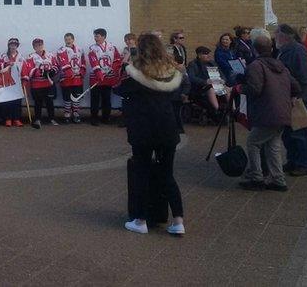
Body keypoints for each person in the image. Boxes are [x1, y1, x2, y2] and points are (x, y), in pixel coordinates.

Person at [118, 33, 186, 236]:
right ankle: (178, 220)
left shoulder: (136, 74)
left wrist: (126, 65)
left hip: (143, 129)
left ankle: (140, 220)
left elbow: (119, 90)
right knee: (167, 174)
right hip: (167, 127)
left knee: (142, 172)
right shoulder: (171, 73)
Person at [239, 36, 300, 192]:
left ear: (254, 49)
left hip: (266, 112)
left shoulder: (255, 66)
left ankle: (256, 177)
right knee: (273, 145)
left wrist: (240, 88)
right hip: (283, 112)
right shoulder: (281, 66)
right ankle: (278, 179)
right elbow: (296, 86)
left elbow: (255, 89)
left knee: (253, 143)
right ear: (271, 49)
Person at [275, 24, 307, 177]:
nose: (274, 37)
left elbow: (303, 75)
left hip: (297, 96)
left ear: (283, 35)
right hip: (287, 95)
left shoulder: (297, 49)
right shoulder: (284, 50)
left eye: (276, 34)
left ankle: (303, 163)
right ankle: (292, 160)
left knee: (299, 131)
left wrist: (297, 94)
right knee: (288, 132)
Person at [87, 28, 123, 125]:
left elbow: (117, 60)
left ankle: (105, 117)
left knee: (106, 99)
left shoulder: (112, 47)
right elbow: (93, 61)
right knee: (95, 99)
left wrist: (113, 68)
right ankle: (94, 118)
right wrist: (99, 73)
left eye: (97, 36)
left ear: (103, 36)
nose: (95, 38)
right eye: (95, 36)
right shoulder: (92, 48)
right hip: (96, 78)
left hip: (108, 78)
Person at [21, 38, 57, 127]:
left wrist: (52, 71)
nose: (39, 47)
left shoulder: (50, 55)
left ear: (43, 45)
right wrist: (39, 72)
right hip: (36, 84)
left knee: (50, 102)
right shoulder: (30, 57)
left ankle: (52, 118)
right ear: (34, 47)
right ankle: (37, 119)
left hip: (48, 83)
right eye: (36, 45)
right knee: (38, 102)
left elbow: (56, 65)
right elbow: (28, 70)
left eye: (40, 45)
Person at [55, 32, 86, 124]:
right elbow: (63, 62)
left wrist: (82, 72)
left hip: (77, 79)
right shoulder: (61, 50)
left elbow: (83, 61)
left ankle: (76, 113)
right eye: (66, 39)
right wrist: (69, 73)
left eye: (69, 39)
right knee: (67, 97)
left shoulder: (80, 49)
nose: (68, 41)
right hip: (66, 79)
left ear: (73, 39)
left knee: (76, 97)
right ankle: (67, 114)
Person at [185, 46, 221, 111]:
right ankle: (217, 110)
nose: (208, 56)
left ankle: (231, 110)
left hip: (215, 84)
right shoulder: (193, 64)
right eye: (206, 54)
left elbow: (220, 73)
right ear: (199, 55)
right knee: (211, 90)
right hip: (201, 87)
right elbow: (191, 77)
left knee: (228, 88)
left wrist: (223, 80)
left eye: (208, 54)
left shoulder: (212, 63)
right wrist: (205, 81)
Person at [0, 38, 24, 127]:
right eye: (11, 45)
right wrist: (7, 64)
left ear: (17, 46)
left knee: (17, 100)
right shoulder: (4, 56)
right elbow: (0, 66)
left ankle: (17, 118)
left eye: (15, 45)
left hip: (17, 81)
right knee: (7, 100)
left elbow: (23, 67)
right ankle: (8, 119)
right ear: (9, 46)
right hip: (7, 81)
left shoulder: (20, 56)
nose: (13, 46)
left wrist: (24, 78)